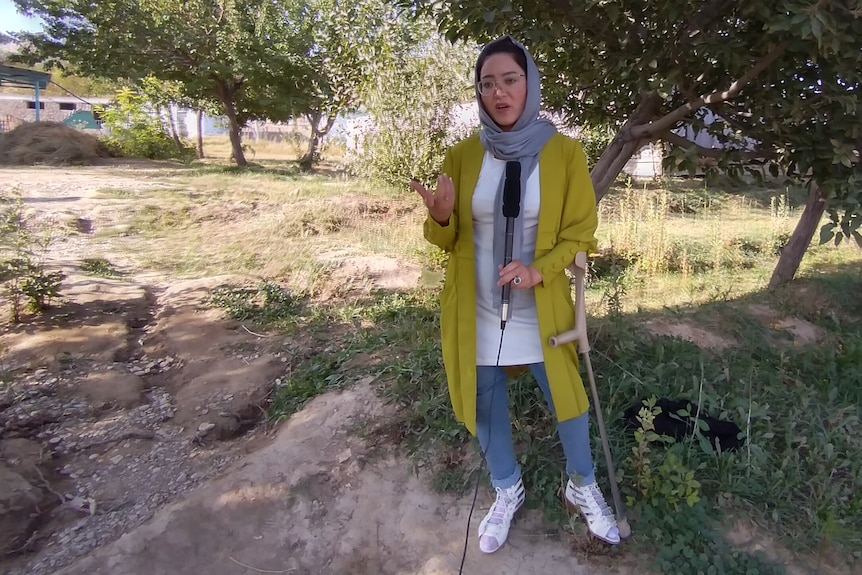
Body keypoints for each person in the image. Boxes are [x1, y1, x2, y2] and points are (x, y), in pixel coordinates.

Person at [410, 36, 620, 554]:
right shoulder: (462, 155)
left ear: (531, 83)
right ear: (478, 94)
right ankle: (506, 488)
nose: (499, 93)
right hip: (475, 307)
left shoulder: (566, 153)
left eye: (510, 80)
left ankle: (582, 485)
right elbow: (447, 237)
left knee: (567, 399)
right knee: (483, 401)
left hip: (538, 304)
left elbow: (580, 234)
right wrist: (438, 217)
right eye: (487, 84)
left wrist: (538, 270)